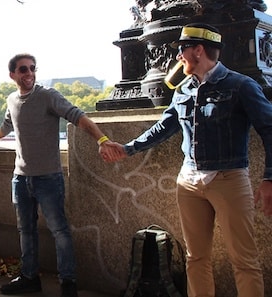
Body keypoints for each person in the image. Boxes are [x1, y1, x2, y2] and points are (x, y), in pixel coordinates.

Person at [106, 23, 270, 297]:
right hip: (189, 182)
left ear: (198, 50)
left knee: (244, 261)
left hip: (228, 179)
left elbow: (269, 128)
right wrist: (128, 148)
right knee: (196, 258)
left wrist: (269, 178)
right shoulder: (183, 90)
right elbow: (164, 127)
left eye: (181, 50)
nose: (178, 57)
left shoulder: (241, 86)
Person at [0, 53, 118, 297]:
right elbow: (7, 126)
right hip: (20, 178)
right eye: (23, 70)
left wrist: (103, 140)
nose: (29, 73)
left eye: (33, 68)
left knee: (60, 231)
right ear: (12, 74)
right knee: (26, 230)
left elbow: (78, 117)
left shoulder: (48, 96)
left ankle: (68, 283)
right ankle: (29, 277)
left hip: (48, 178)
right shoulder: (11, 99)